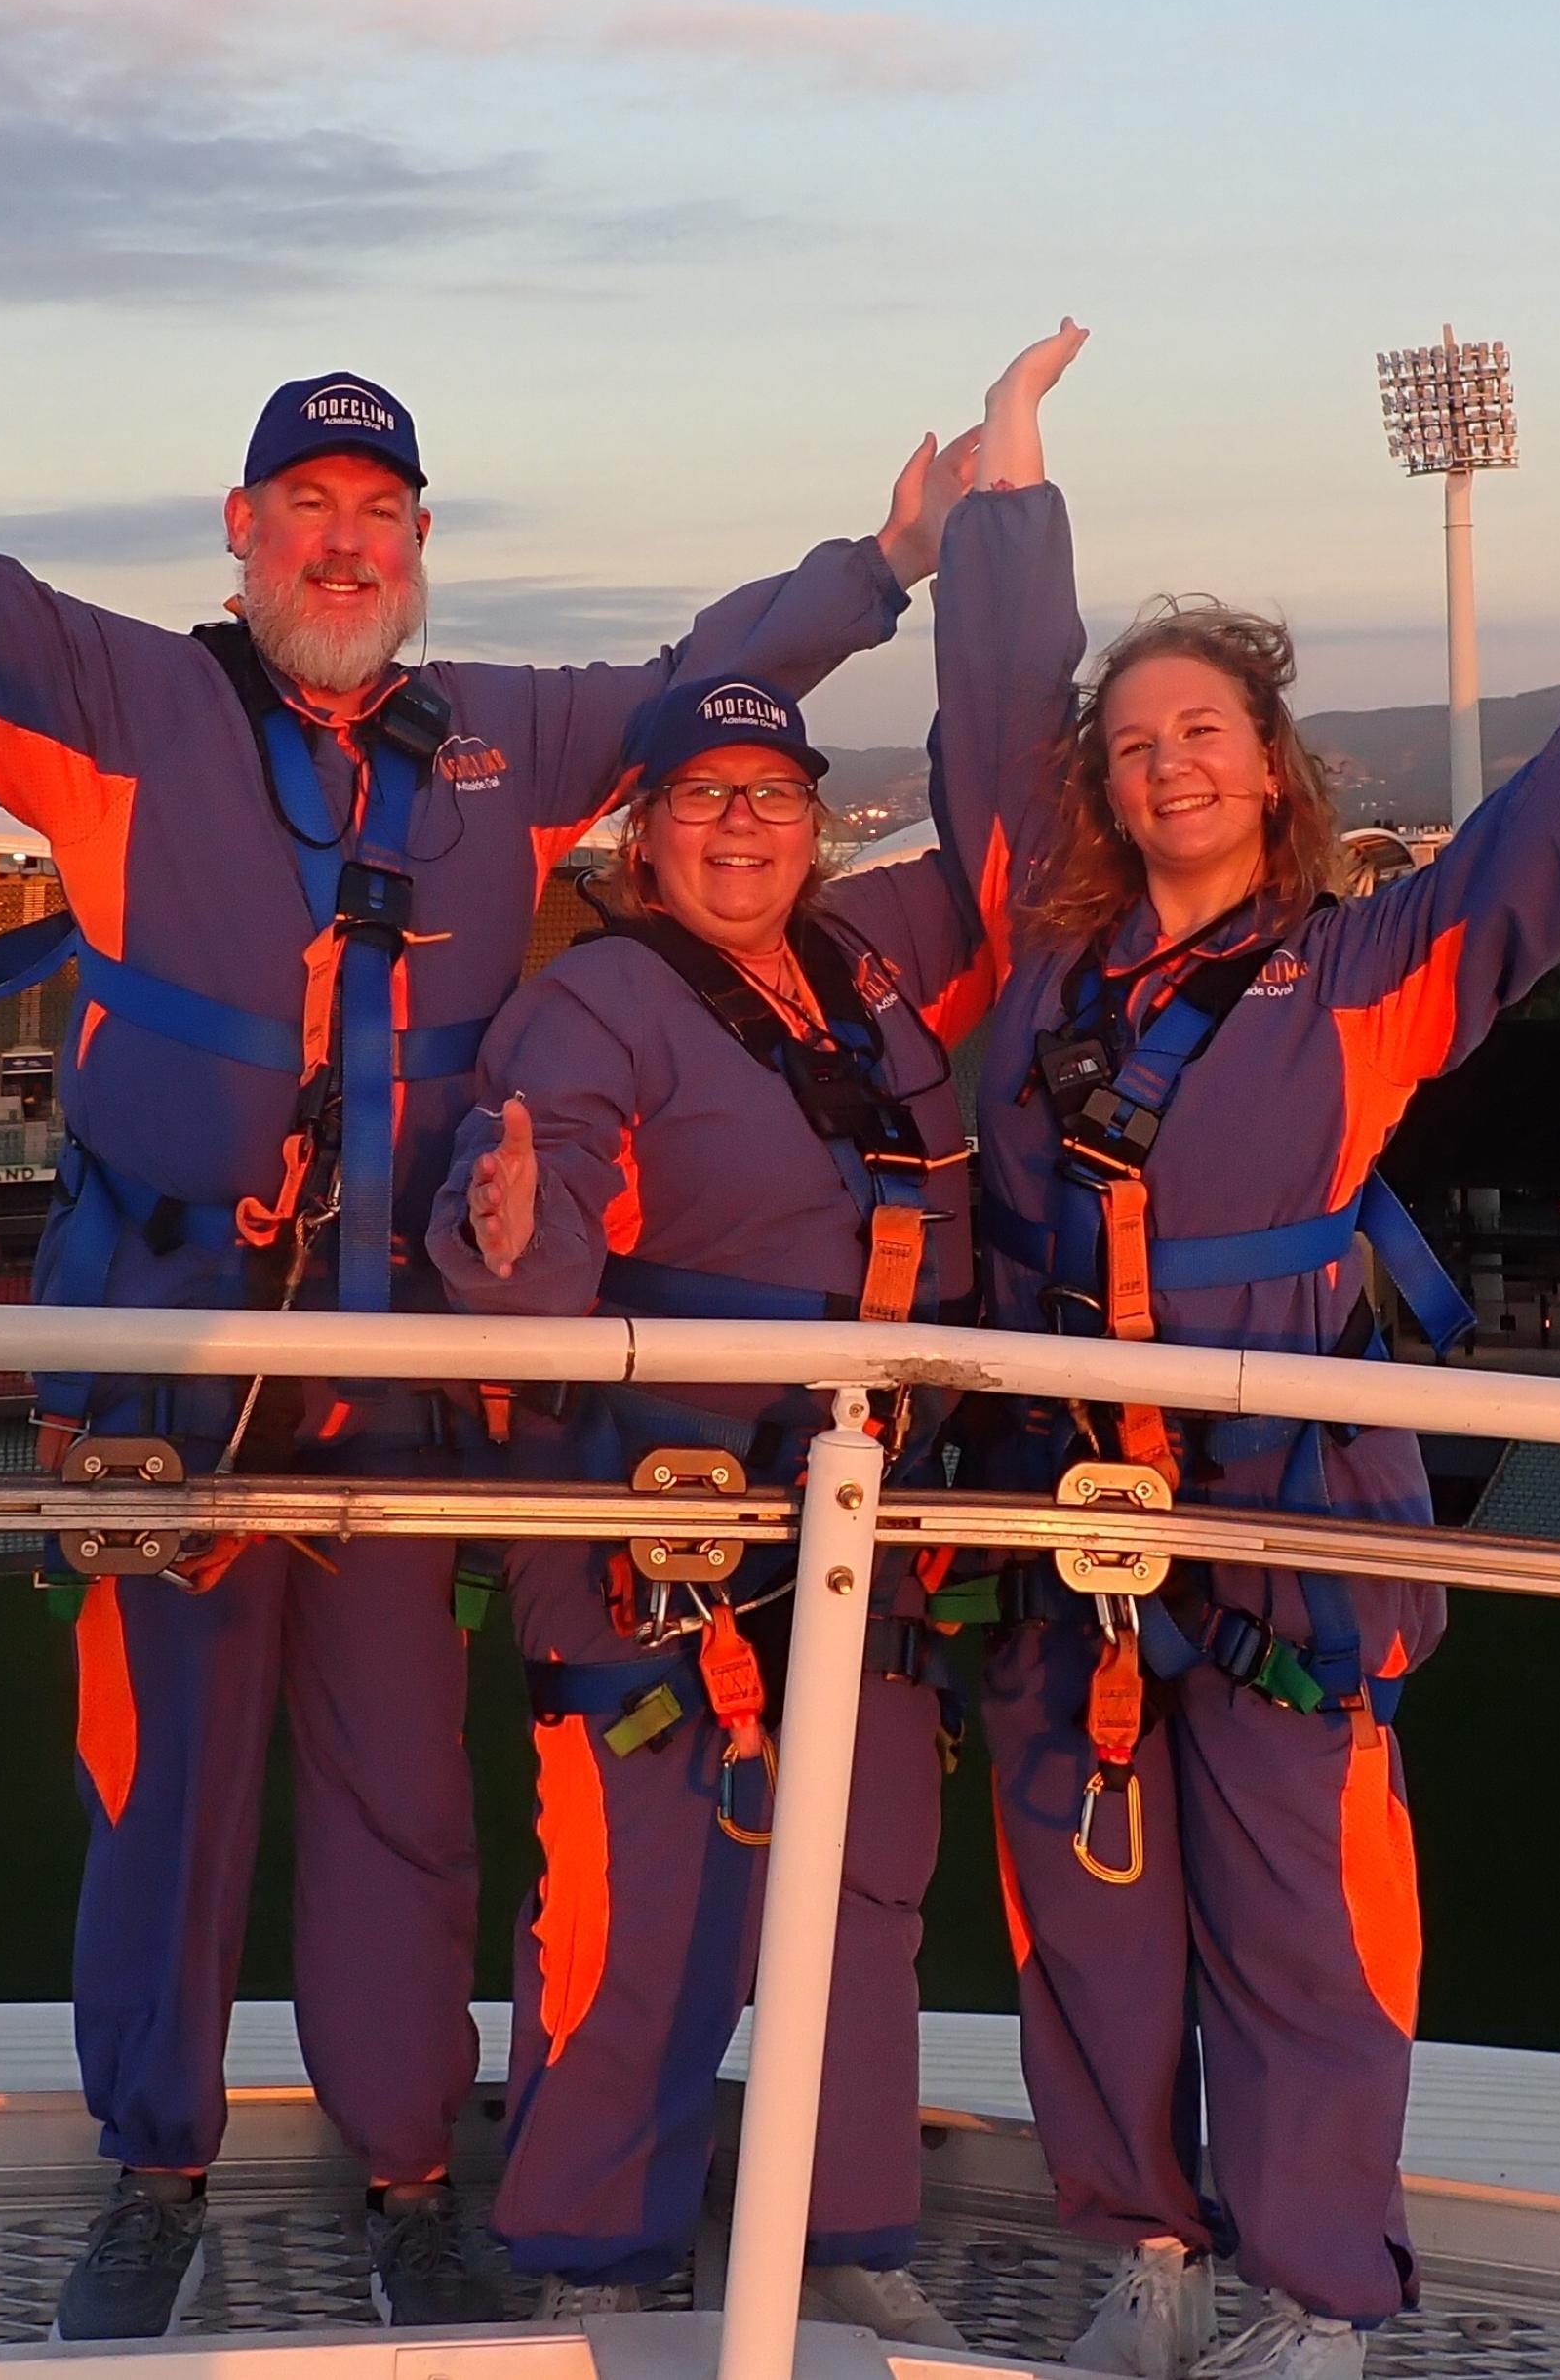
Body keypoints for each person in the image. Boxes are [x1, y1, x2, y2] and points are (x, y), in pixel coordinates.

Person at [0, 78, 980, 2336]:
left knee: (401, 1806)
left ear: (418, 541)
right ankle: (155, 2166)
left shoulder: (501, 740)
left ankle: (403, 2171)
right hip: (168, 1369)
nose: (345, 542)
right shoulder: (108, 705)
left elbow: (698, 683)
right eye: (309, 504)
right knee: (161, 1792)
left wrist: (878, 569)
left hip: (400, 1389)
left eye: (381, 508)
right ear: (243, 527)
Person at [937, 335, 1560, 2380]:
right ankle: (1146, 2253)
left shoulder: (1363, 973)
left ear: (1274, 769)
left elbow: (1552, 831)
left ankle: (1320, 2291)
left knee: (1301, 1931)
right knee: (1088, 1918)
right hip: (1060, 1516)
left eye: (1205, 731)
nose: (1166, 761)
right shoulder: (1041, 970)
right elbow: (995, 715)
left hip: (1277, 1522)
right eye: (1134, 739)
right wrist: (1008, 497)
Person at [420, 446, 1060, 2330]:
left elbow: (1011, 828)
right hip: (662, 1528)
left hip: (862, 1515)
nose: (737, 828)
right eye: (700, 798)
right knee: (640, 1894)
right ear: (644, 838)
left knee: (862, 1892)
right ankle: (596, 2258)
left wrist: (1000, 539)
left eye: (771, 796)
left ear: (813, 819)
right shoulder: (592, 1008)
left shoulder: (870, 970)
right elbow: (529, 1257)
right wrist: (512, 1225)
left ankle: (842, 2236)